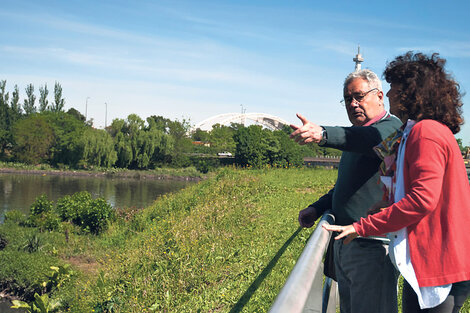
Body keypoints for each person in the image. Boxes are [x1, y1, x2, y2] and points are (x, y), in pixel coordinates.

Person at [323, 52, 470, 313]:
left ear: (411, 92)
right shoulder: (412, 131)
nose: (388, 95)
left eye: (393, 88)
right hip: (428, 259)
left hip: (440, 260)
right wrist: (382, 201)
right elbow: (401, 180)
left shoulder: (427, 132)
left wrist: (364, 226)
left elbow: (422, 200)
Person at [290, 69, 402, 313]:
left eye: (359, 96)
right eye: (348, 99)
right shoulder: (356, 137)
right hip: (346, 241)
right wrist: (317, 208)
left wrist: (323, 134)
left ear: (380, 97)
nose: (353, 104)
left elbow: (369, 140)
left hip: (372, 245)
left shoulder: (390, 129)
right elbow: (344, 186)